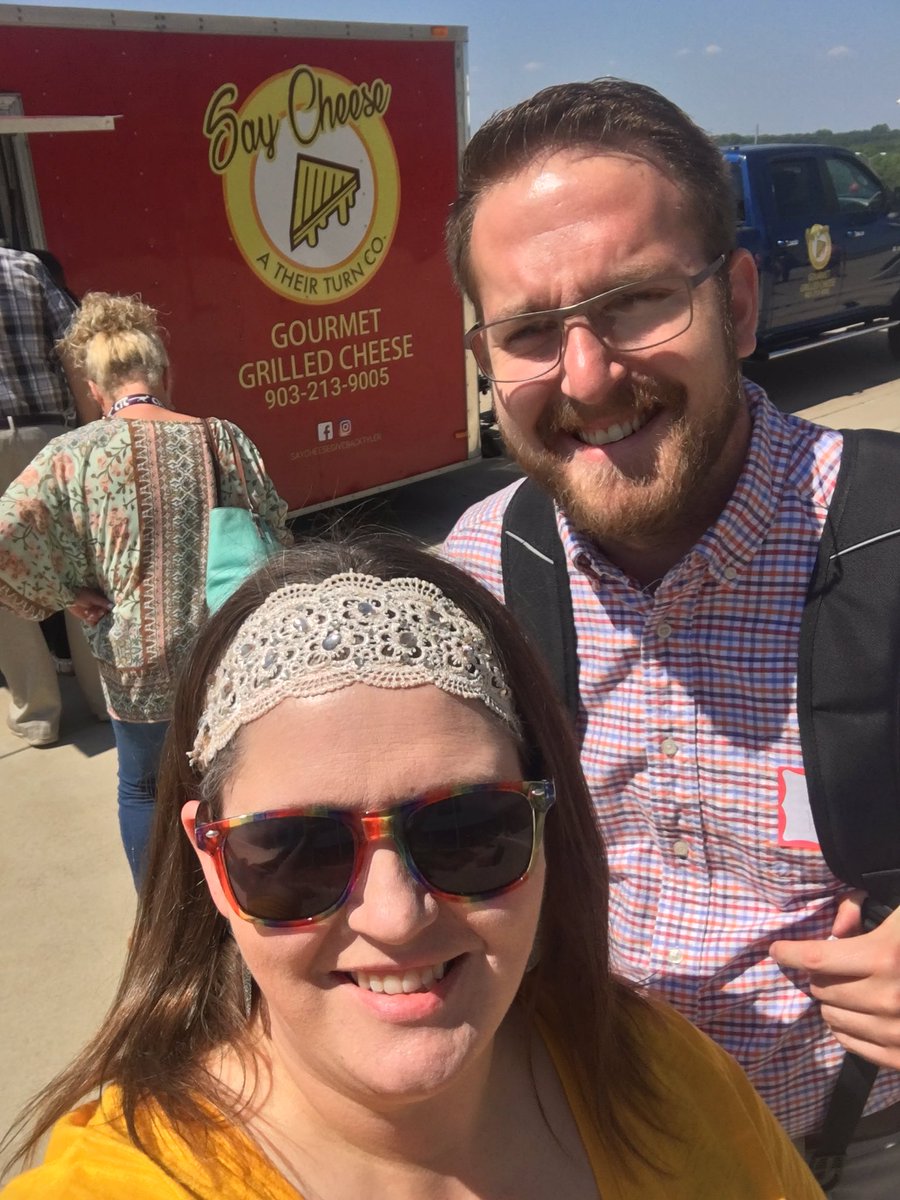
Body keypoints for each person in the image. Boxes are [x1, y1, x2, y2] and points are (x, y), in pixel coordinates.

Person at [0, 535, 823, 1198]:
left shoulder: (665, 1075)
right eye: (296, 851)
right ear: (212, 864)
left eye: (466, 830)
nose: (395, 917)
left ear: (544, 826)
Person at [442, 78, 900, 1195]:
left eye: (639, 301)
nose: (589, 376)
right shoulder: (480, 571)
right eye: (532, 331)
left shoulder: (890, 536)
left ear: (738, 303)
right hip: (582, 1143)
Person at [0, 292, 292, 886]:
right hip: (222, 654)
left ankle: (160, 916)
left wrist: (66, 594)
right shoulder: (222, 439)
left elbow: (5, 534)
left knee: (140, 788)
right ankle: (235, 902)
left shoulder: (69, 457)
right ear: (163, 372)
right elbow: (275, 529)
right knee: (228, 782)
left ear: (93, 383)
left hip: (133, 664)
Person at [0, 245, 100, 745]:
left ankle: (38, 714)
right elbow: (76, 351)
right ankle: (106, 697)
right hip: (46, 437)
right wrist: (92, 431)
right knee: (77, 561)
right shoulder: (27, 268)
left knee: (3, 575)